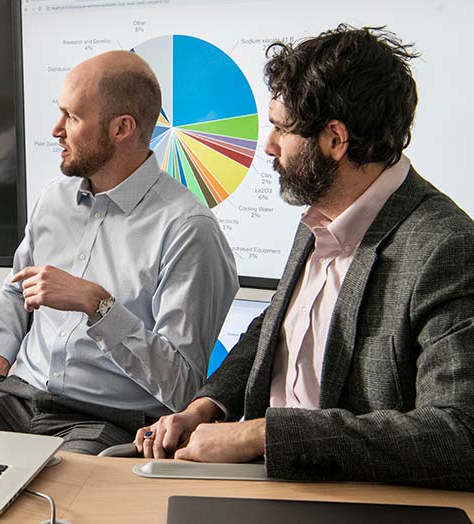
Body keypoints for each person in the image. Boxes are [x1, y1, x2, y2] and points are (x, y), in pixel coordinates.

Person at [135, 25, 474, 491]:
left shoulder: (445, 248)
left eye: (281, 127)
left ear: (335, 139)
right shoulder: (322, 213)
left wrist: (262, 435)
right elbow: (277, 327)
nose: (269, 145)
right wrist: (206, 407)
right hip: (261, 483)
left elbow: (458, 436)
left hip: (341, 497)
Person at [0, 50, 238, 455]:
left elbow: (182, 386)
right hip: (19, 395)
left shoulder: (188, 231)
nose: (57, 129)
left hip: (103, 419)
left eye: (72, 117)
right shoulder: (52, 200)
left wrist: (98, 305)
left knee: (55, 504)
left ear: (121, 128)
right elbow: (15, 291)